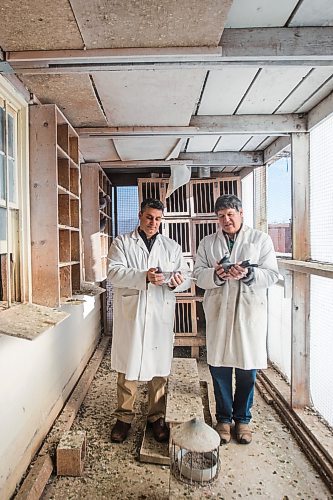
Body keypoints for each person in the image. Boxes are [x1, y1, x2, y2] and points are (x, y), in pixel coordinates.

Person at [193, 194, 278, 445]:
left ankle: (243, 420)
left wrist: (249, 273)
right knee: (219, 368)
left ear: (241, 214)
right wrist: (217, 274)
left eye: (231, 214)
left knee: (246, 370)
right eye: (221, 216)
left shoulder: (260, 239)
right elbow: (198, 275)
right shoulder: (208, 242)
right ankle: (223, 419)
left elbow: (272, 274)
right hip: (220, 310)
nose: (226, 220)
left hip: (248, 311)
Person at [108, 198, 190, 443]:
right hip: (132, 314)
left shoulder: (171, 247)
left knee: (159, 369)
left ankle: (157, 417)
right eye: (149, 217)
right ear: (140, 216)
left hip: (159, 315)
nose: (153, 223)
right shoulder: (122, 242)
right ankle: (124, 417)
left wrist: (178, 281)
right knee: (127, 367)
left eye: (157, 219)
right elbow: (113, 272)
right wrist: (144, 276)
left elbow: (184, 275)